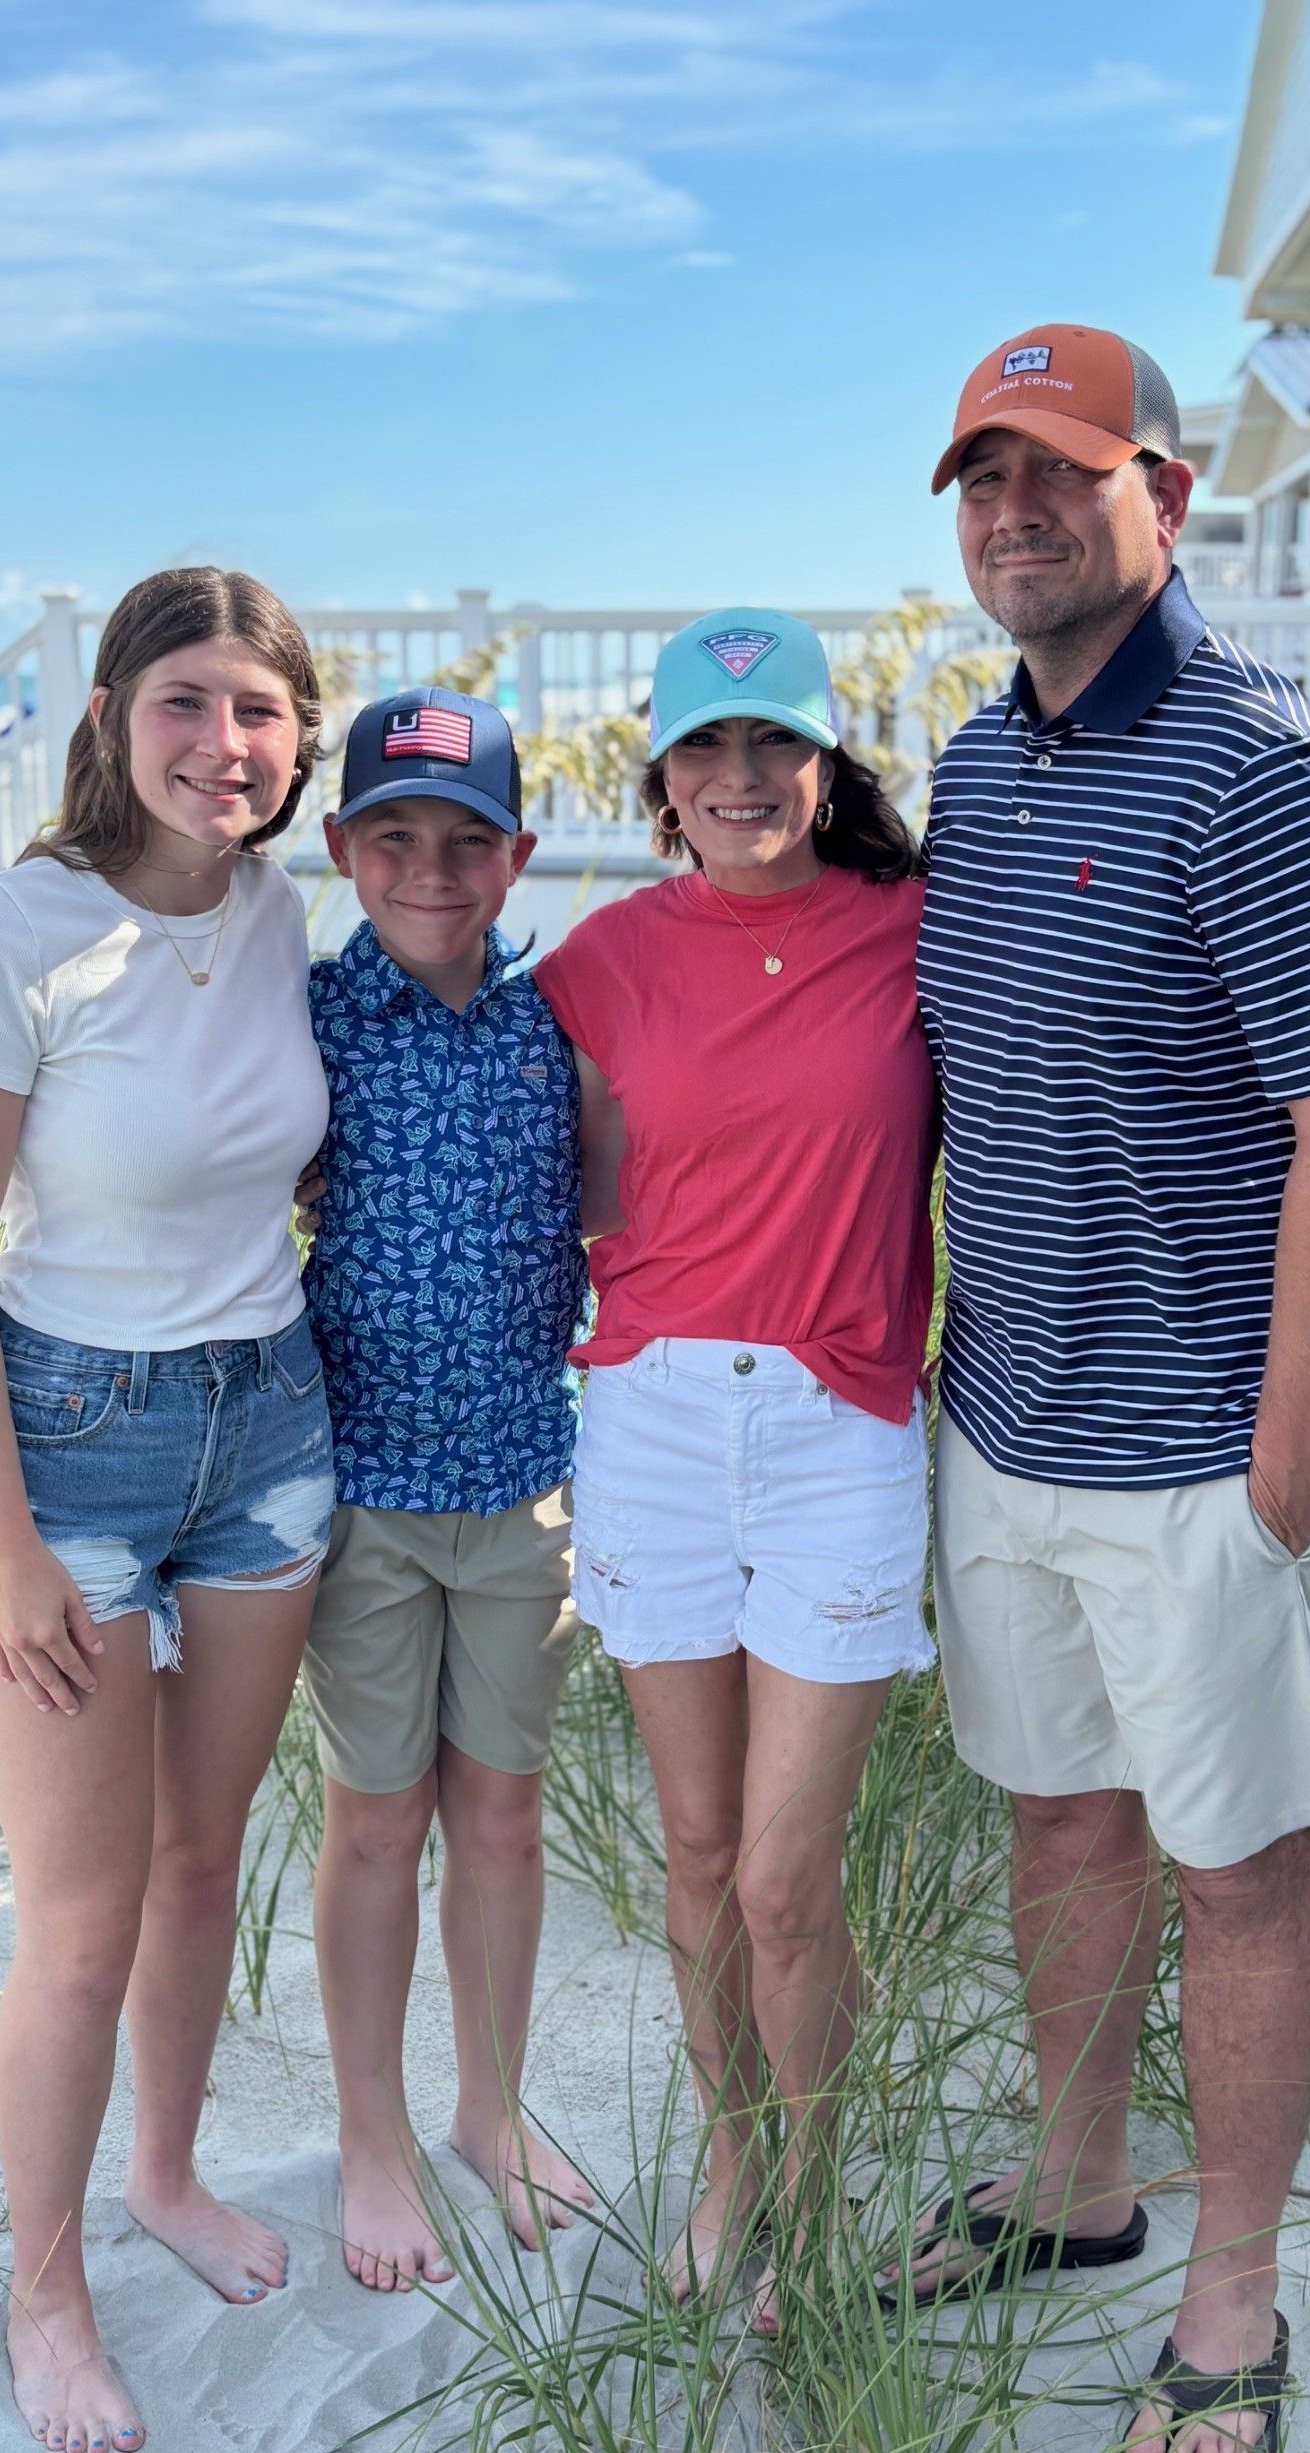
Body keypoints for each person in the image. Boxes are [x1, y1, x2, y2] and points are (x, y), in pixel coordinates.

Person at [890, 328, 1310, 2453]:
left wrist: (1285, 1453)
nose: (1012, 511)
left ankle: (1229, 2286)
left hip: (1204, 1448)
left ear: (1166, 495)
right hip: (1005, 1411)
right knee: (1060, 1820)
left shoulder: (1251, 762)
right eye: (980, 478)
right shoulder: (979, 760)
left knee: (1239, 1870)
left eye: (1060, 472)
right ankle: (1081, 2182)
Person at [0, 567, 335, 2453]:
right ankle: (47, 2286)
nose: (221, 744)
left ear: (296, 738)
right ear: (106, 716)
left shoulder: (280, 910)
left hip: (273, 1428)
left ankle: (168, 2173)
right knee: (77, 1921)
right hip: (65, 1447)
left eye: (256, 708)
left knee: (200, 1861)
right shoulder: (11, 928)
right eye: (183, 701)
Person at [535, 610, 938, 2336]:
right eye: (707, 749)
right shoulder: (601, 961)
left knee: (786, 1878)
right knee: (697, 1854)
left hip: (843, 1428)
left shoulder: (922, 932)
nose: (743, 779)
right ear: (663, 779)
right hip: (650, 1424)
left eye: (777, 745)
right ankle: (733, 2165)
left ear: (830, 767)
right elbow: (551, 1181)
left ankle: (820, 2186)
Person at [300, 687, 595, 2292]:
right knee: (373, 1822)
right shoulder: (304, 1020)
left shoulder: (561, 1022)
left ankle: (488, 2108)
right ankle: (372, 2130)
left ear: (516, 856)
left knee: (501, 1813)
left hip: (527, 1483)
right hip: (359, 1497)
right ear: (340, 848)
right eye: (394, 838)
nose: (429, 868)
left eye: (464, 840)